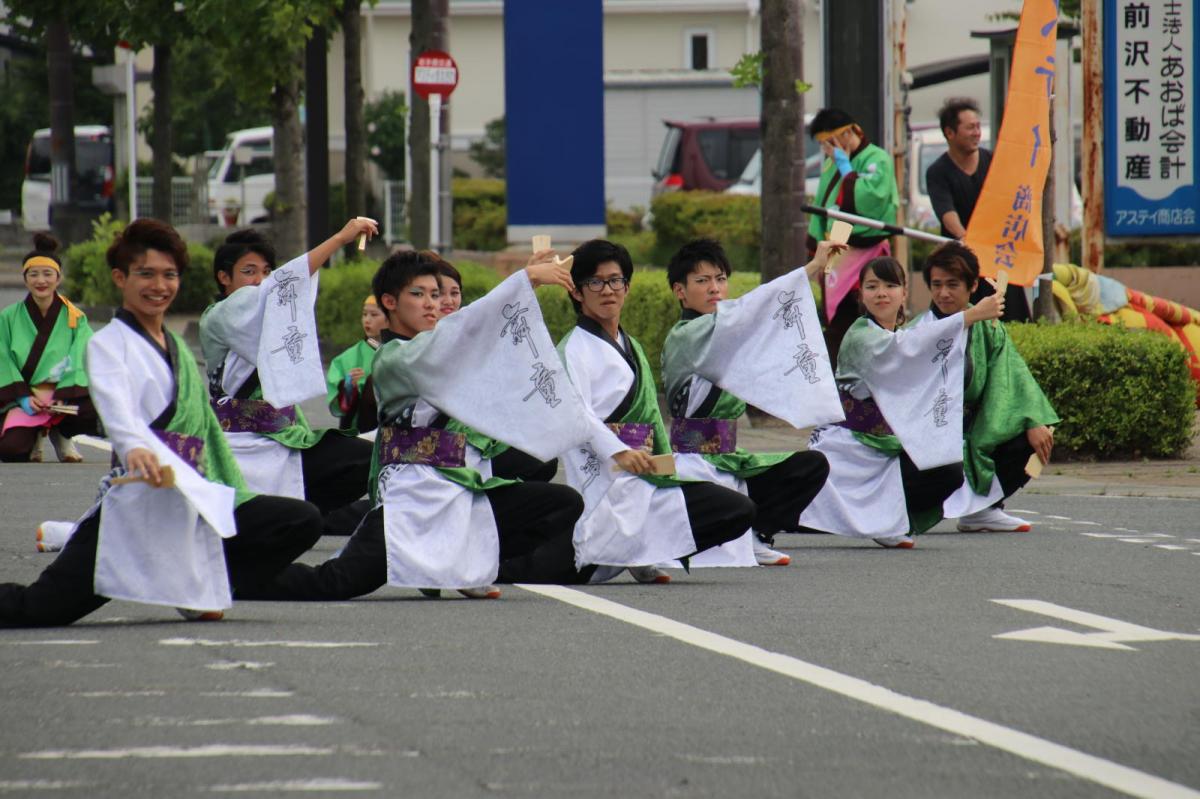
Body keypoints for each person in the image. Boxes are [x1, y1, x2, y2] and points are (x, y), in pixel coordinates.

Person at [0, 219, 322, 627]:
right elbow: (117, 409)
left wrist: (227, 487)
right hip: (138, 505)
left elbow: (206, 431)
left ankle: (200, 580)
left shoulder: (178, 350)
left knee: (300, 520)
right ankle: (182, 580)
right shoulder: (108, 344)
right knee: (40, 609)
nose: (159, 286)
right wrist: (134, 447)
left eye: (169, 275)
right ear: (121, 278)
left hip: (194, 500)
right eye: (146, 274)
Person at [240, 250, 595, 603]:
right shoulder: (395, 358)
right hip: (413, 499)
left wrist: (525, 288)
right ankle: (238, 578)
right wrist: (525, 280)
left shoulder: (439, 350)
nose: (432, 304)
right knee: (335, 583)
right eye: (419, 294)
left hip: (463, 490)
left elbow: (487, 344)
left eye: (436, 295)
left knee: (562, 504)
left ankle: (466, 559)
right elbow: (463, 333)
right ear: (389, 302)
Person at [555, 239, 757, 583]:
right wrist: (619, 449)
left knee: (738, 509)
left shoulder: (629, 344)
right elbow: (578, 415)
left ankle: (641, 549)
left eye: (616, 280)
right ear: (577, 293)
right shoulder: (572, 349)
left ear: (627, 287)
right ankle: (622, 550)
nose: (608, 290)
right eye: (595, 282)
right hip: (607, 479)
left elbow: (649, 415)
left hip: (647, 471)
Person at [798, 256, 1005, 548]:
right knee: (800, 514)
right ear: (861, 294)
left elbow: (925, 358)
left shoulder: (900, 334)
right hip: (851, 451)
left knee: (947, 471)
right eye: (872, 286)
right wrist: (968, 316)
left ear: (903, 293)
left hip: (889, 447)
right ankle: (881, 520)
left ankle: (892, 519)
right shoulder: (861, 336)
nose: (881, 293)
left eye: (890, 285)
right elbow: (906, 350)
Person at [662, 238, 839, 566]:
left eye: (720, 279)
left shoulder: (726, 331)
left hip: (732, 458)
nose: (714, 288)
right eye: (702, 281)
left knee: (810, 465)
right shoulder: (687, 335)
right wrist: (812, 268)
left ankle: (759, 531)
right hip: (693, 462)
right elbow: (754, 314)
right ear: (679, 291)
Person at [200, 223, 377, 535]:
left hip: (284, 439)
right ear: (223, 278)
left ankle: (316, 515)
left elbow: (282, 290)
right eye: (249, 271)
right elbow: (282, 288)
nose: (260, 281)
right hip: (239, 446)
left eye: (267, 271)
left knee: (364, 458)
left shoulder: (260, 308)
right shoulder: (221, 315)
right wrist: (339, 238)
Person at [914, 241, 1059, 532]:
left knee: (1035, 435)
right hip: (926, 435)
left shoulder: (990, 328)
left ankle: (984, 509)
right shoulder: (918, 331)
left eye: (953, 284)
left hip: (973, 430)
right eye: (936, 284)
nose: (943, 293)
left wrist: (1032, 419)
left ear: (971, 287)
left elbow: (1011, 377)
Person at [806, 108, 900, 365]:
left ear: (847, 133)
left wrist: (847, 170)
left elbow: (871, 200)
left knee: (871, 312)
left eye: (829, 141)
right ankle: (837, 375)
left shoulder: (877, 158)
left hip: (867, 248)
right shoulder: (831, 162)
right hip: (837, 248)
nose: (826, 148)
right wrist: (814, 244)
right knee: (837, 318)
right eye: (823, 144)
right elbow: (822, 203)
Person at [926, 97, 1029, 321]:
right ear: (950, 133)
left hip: (998, 256)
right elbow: (946, 212)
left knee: (1010, 317)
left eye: (978, 127)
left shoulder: (993, 161)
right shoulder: (938, 171)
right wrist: (965, 239)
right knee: (956, 320)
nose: (977, 133)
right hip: (962, 258)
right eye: (970, 127)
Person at [0, 234, 99, 463]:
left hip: (63, 399)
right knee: (10, 451)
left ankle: (62, 433)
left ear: (58, 278)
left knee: (101, 412)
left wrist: (64, 394)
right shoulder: (7, 318)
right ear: (25, 279)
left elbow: (83, 356)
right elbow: (3, 359)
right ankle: (35, 433)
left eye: (47, 274)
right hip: (24, 398)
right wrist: (24, 397)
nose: (40, 280)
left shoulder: (75, 318)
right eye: (33, 274)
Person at [325, 295, 385, 433]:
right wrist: (347, 386)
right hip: (359, 430)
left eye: (374, 314)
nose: (367, 320)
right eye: (364, 314)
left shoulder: (400, 351)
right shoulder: (348, 358)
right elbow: (340, 405)